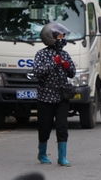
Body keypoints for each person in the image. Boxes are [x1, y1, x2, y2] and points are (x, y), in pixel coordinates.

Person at [33, 23, 76, 167]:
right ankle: (42, 153)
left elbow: (72, 72)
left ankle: (62, 157)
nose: (62, 38)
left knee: (62, 127)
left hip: (62, 96)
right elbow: (37, 72)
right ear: (49, 37)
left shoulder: (64, 53)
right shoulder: (41, 54)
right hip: (46, 96)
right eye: (59, 36)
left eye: (63, 36)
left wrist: (67, 66)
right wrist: (53, 63)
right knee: (45, 127)